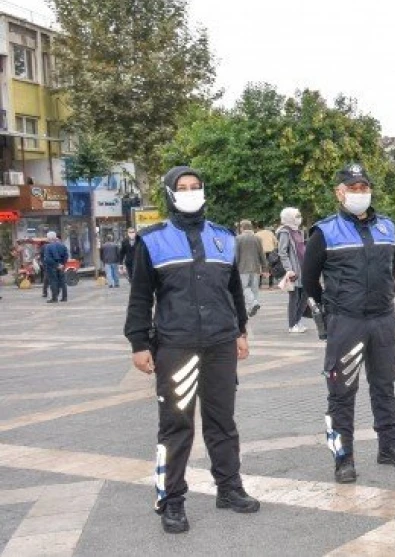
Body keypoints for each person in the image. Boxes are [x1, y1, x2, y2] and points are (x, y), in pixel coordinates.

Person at [123, 166, 260, 533]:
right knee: (176, 426)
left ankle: (229, 488)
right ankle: (171, 501)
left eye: (195, 187)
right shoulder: (153, 240)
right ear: (170, 194)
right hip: (176, 347)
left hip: (220, 344)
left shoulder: (223, 238)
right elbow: (140, 297)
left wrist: (240, 330)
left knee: (222, 422)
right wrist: (139, 343)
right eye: (181, 188)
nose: (189, 192)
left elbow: (234, 291)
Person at [302, 163, 395, 483]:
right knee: (341, 393)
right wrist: (326, 314)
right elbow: (309, 281)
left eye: (363, 187)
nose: (358, 193)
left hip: (383, 321)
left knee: (385, 387)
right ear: (339, 193)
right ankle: (343, 458)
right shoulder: (324, 232)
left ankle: (390, 447)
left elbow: (393, 269)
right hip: (346, 323)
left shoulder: (387, 227)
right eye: (352, 188)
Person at [277, 208, 308, 333]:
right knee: (294, 297)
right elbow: (282, 252)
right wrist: (289, 269)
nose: (299, 218)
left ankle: (298, 320)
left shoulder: (299, 231)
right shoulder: (285, 232)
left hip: (304, 268)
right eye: (296, 216)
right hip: (294, 270)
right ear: (289, 217)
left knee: (304, 296)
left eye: (299, 215)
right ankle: (292, 324)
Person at [235, 220, 267, 317]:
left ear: (242, 227)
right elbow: (262, 254)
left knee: (244, 288)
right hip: (256, 267)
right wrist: (265, 268)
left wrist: (234, 267)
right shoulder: (257, 238)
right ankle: (251, 308)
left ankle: (253, 304)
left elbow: (236, 255)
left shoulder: (238, 238)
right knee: (254, 289)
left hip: (242, 267)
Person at [42, 231, 69, 303]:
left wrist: (56, 265)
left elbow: (47, 258)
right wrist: (62, 264)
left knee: (53, 282)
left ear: (49, 238)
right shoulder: (62, 245)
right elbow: (66, 256)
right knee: (63, 281)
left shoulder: (48, 246)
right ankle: (64, 297)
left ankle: (54, 298)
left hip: (52, 267)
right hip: (61, 266)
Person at [255, 224, 278, 288]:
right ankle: (271, 284)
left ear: (257, 227)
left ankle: (259, 284)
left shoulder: (257, 234)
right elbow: (276, 242)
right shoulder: (270, 233)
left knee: (261, 267)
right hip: (271, 251)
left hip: (261, 252)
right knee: (270, 267)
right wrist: (274, 248)